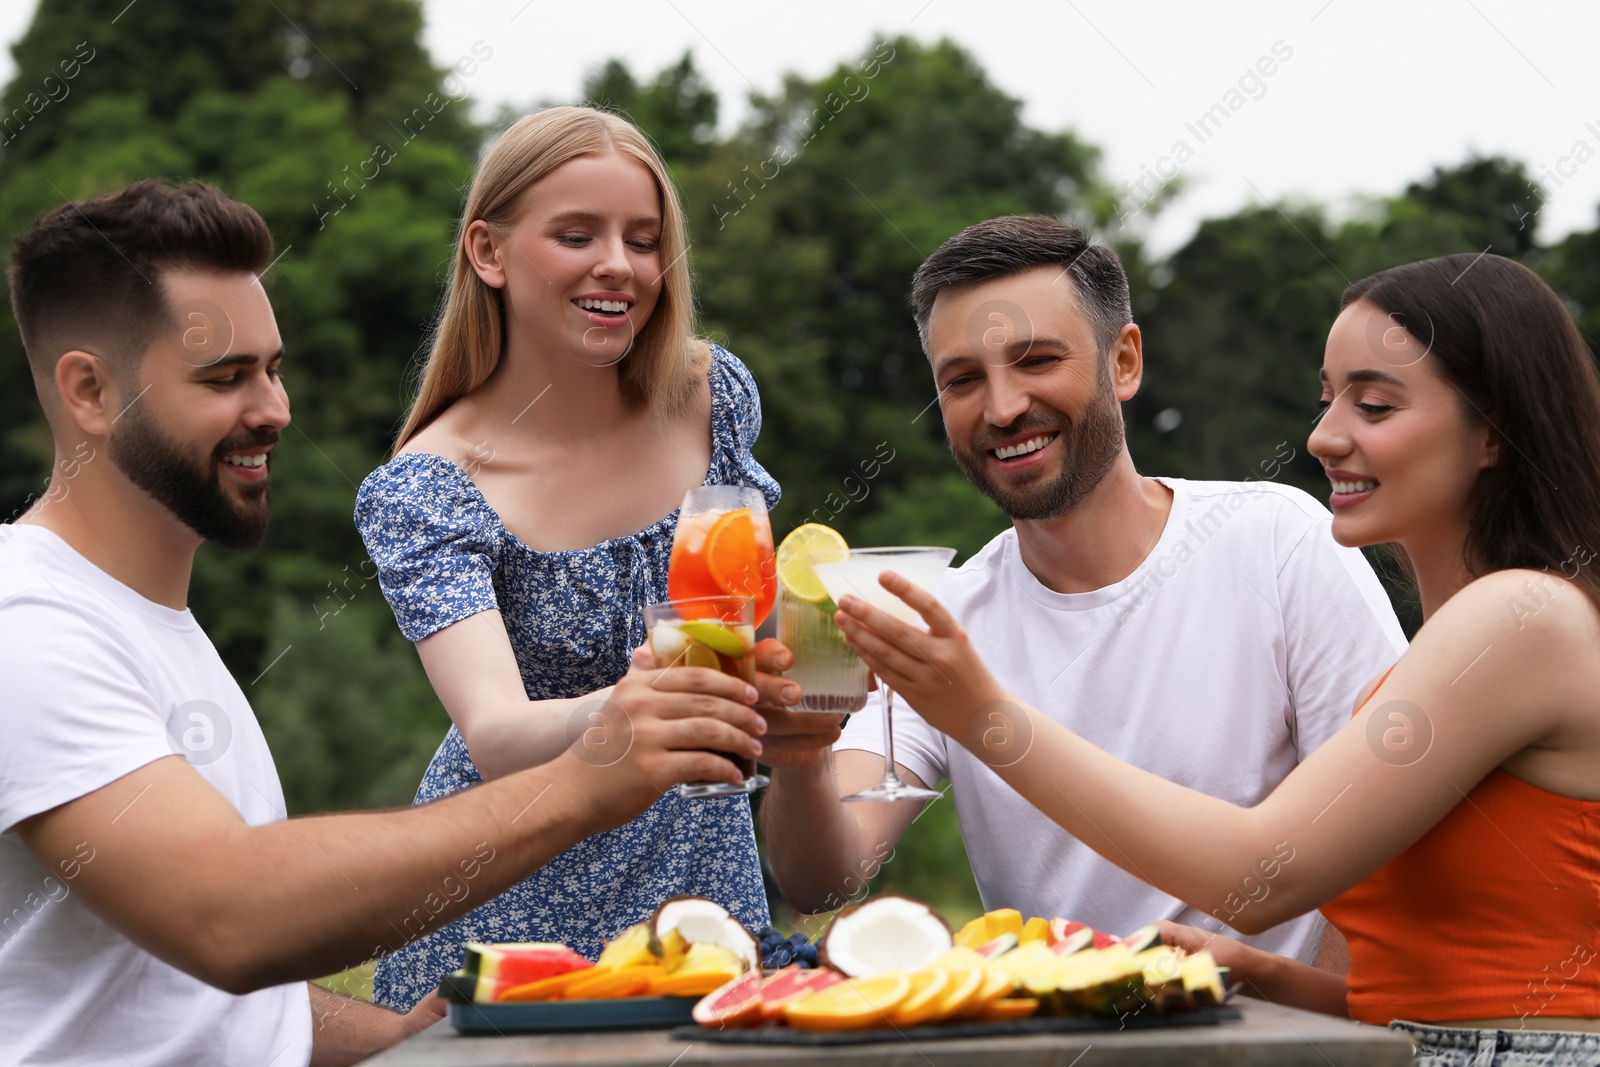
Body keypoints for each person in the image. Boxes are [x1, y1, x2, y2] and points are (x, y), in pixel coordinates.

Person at [0, 179, 764, 1067]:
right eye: (225, 377)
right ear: (90, 391)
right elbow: (227, 915)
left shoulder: (152, 628)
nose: (274, 410)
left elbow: (188, 990)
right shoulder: (29, 624)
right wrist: (587, 783)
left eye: (273, 368)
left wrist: (394, 1034)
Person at [837, 251, 1600, 1064]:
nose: (1324, 434)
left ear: (1492, 434)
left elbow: (1263, 874)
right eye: (1327, 397)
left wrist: (983, 717)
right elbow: (1439, 991)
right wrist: (1266, 974)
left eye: (1373, 404)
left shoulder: (1523, 620)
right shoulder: (1454, 646)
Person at [761, 215, 1407, 966]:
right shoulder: (942, 615)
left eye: (1036, 360)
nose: (1001, 407)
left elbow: (1386, 847)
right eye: (962, 379)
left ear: (1124, 361)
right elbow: (824, 880)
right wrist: (801, 757)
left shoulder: (1279, 541)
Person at [353, 106, 823, 1011]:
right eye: (577, 234)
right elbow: (494, 734)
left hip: (700, 871)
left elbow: (752, 631)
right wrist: (653, 702)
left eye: (643, 240)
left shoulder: (708, 396)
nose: (620, 264)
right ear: (487, 253)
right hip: (511, 884)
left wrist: (825, 660)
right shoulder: (429, 485)